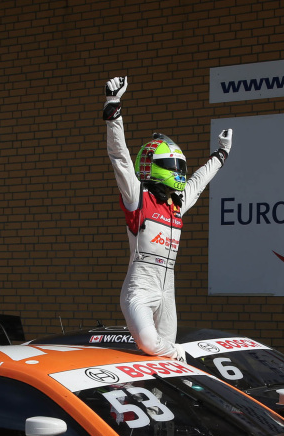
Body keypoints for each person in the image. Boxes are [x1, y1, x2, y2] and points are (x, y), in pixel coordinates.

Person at [103, 76, 232, 361]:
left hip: (167, 290)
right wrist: (113, 106)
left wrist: (221, 154)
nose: (178, 171)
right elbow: (120, 157)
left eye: (179, 166)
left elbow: (199, 181)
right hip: (139, 288)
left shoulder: (176, 204)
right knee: (151, 344)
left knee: (162, 358)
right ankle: (182, 357)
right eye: (171, 165)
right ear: (153, 165)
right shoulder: (138, 197)